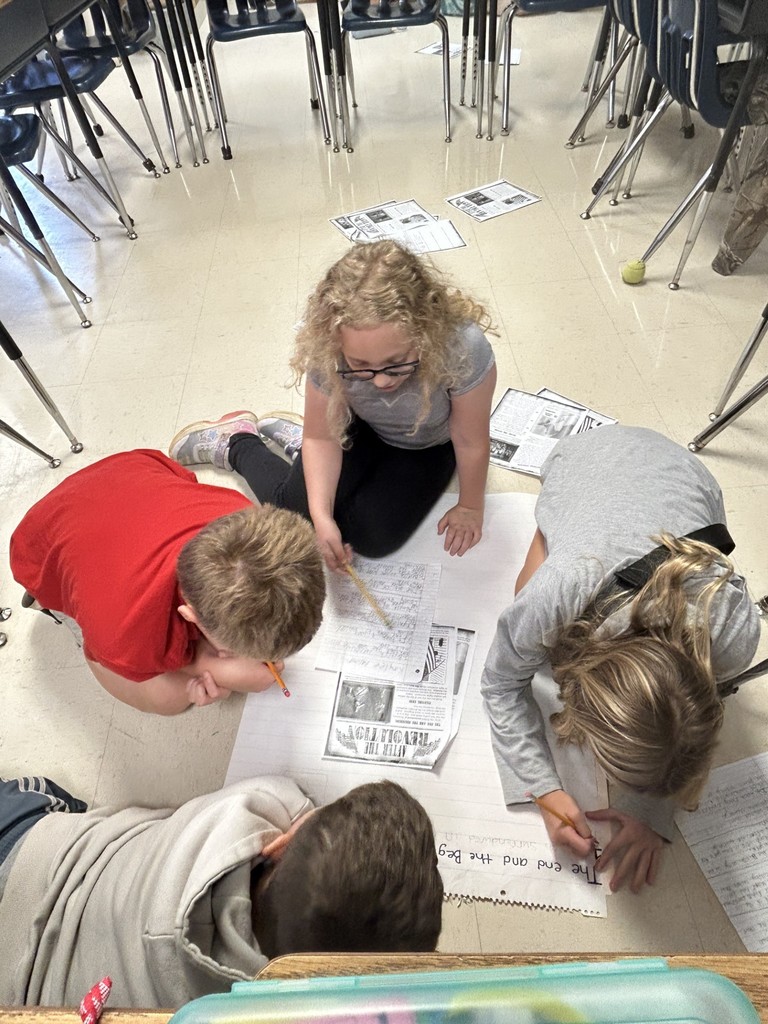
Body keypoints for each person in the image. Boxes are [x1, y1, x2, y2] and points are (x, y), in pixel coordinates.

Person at [481, 425, 761, 894]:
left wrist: (651, 809)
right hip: (589, 456)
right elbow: (500, 685)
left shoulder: (735, 635)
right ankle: (554, 532)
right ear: (581, 698)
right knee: (528, 607)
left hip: (686, 477)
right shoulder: (560, 592)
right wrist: (544, 788)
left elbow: (690, 714)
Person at [168, 240, 497, 572]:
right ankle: (237, 442)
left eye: (397, 364)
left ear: (426, 332)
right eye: (361, 365)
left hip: (428, 443)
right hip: (358, 426)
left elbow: (470, 440)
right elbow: (323, 438)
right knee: (299, 515)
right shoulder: (327, 346)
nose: (382, 382)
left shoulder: (461, 345)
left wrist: (470, 506)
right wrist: (321, 516)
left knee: (373, 539)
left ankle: (296, 448)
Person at [0, 775, 443, 1007]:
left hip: (39, 853)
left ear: (281, 844)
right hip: (21, 997)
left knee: (43, 794)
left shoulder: (255, 805)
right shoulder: (257, 1010)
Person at [10, 449, 325, 715]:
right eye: (231, 649)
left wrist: (219, 658)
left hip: (130, 470)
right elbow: (103, 662)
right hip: (40, 547)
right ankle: (49, 606)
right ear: (190, 615)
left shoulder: (242, 514)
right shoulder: (124, 633)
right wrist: (207, 668)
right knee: (170, 700)